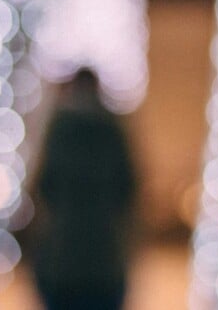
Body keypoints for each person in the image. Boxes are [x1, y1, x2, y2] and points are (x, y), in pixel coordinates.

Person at [23, 69, 137, 310]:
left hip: (62, 258)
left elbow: (43, 185)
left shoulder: (59, 129)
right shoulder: (113, 129)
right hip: (105, 259)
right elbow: (128, 188)